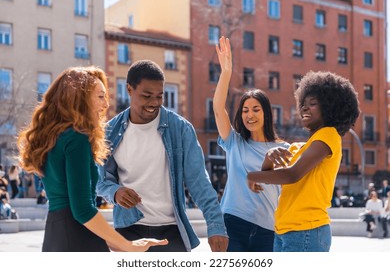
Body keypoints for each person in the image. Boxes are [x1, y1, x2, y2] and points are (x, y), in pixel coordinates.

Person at [17, 66, 168, 252]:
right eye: (100, 96)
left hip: (55, 234)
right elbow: (82, 210)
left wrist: (119, 245)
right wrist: (127, 245)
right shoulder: (77, 138)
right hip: (77, 237)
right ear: (78, 98)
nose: (106, 104)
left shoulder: (55, 137)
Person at [96, 60, 228, 252]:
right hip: (129, 229)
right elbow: (99, 181)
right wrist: (115, 192)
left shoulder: (181, 129)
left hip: (172, 231)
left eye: (160, 96)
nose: (154, 103)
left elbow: (199, 182)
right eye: (147, 96)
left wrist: (216, 226)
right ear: (129, 90)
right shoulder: (109, 132)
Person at [247, 70, 360, 252]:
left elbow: (292, 175)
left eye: (313, 104)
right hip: (283, 231)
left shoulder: (328, 134)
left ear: (331, 108)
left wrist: (252, 175)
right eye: (303, 104)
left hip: (307, 230)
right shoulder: (298, 148)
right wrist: (268, 158)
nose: (304, 108)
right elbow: (271, 176)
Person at [213, 36, 289, 252]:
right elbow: (219, 109)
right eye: (245, 110)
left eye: (256, 109)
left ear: (267, 113)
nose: (250, 115)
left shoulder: (283, 149)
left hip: (269, 230)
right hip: (233, 223)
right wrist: (226, 73)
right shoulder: (234, 142)